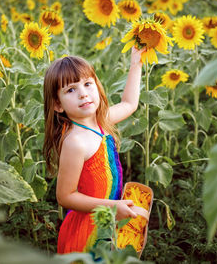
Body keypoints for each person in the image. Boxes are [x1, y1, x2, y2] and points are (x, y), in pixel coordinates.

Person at [43, 46, 144, 254]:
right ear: (57, 105)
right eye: (71, 90)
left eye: (88, 84)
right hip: (86, 232)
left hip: (106, 221)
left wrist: (136, 62)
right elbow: (65, 196)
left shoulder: (100, 122)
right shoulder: (75, 142)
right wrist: (112, 206)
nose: (83, 94)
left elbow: (129, 103)